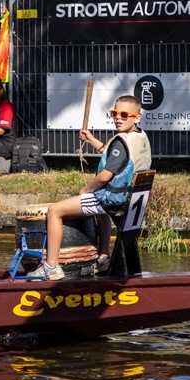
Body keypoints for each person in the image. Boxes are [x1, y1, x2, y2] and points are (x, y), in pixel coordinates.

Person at [38, 95, 153, 281]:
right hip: (130, 200)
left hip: (112, 198)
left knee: (54, 211)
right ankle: (104, 258)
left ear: (137, 117)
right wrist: (91, 140)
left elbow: (106, 175)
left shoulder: (121, 141)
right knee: (101, 213)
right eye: (115, 113)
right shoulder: (140, 136)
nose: (118, 118)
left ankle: (51, 267)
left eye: (124, 114)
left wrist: (87, 189)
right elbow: (115, 156)